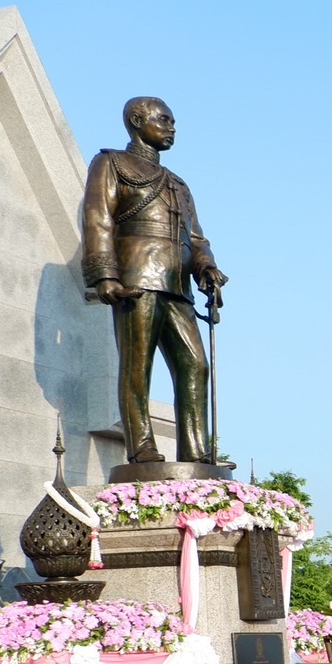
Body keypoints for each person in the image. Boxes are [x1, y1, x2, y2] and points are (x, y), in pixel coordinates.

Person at [82, 97, 227, 464]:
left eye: (173, 121)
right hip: (137, 279)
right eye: (164, 120)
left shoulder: (178, 183)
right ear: (136, 120)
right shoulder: (110, 163)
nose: (171, 127)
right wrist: (105, 276)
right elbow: (99, 217)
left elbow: (195, 238)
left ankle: (196, 451)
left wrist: (206, 267)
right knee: (137, 365)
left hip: (177, 286)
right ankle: (141, 446)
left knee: (196, 366)